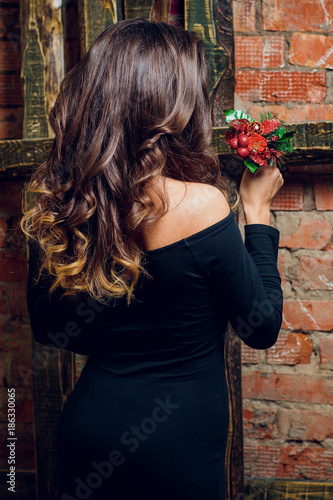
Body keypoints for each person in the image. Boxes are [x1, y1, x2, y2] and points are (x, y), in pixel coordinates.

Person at [21, 18, 284, 500]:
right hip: (176, 446)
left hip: (88, 430)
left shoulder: (61, 203)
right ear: (172, 105)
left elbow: (51, 329)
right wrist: (258, 212)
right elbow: (261, 327)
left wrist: (127, 335)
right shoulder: (201, 205)